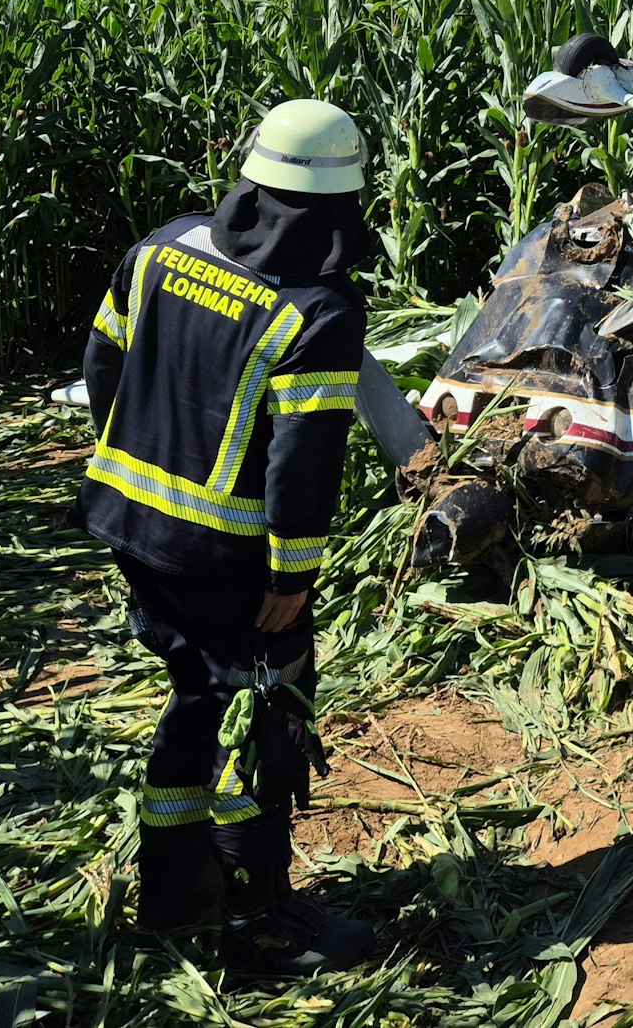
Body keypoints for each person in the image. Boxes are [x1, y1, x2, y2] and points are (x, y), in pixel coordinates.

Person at [77, 99, 376, 974]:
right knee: (264, 714)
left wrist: (135, 470)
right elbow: (301, 464)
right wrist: (293, 575)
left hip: (131, 527)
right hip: (232, 561)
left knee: (195, 703)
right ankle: (254, 919)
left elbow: (103, 364)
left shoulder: (162, 248)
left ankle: (177, 899)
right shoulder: (317, 310)